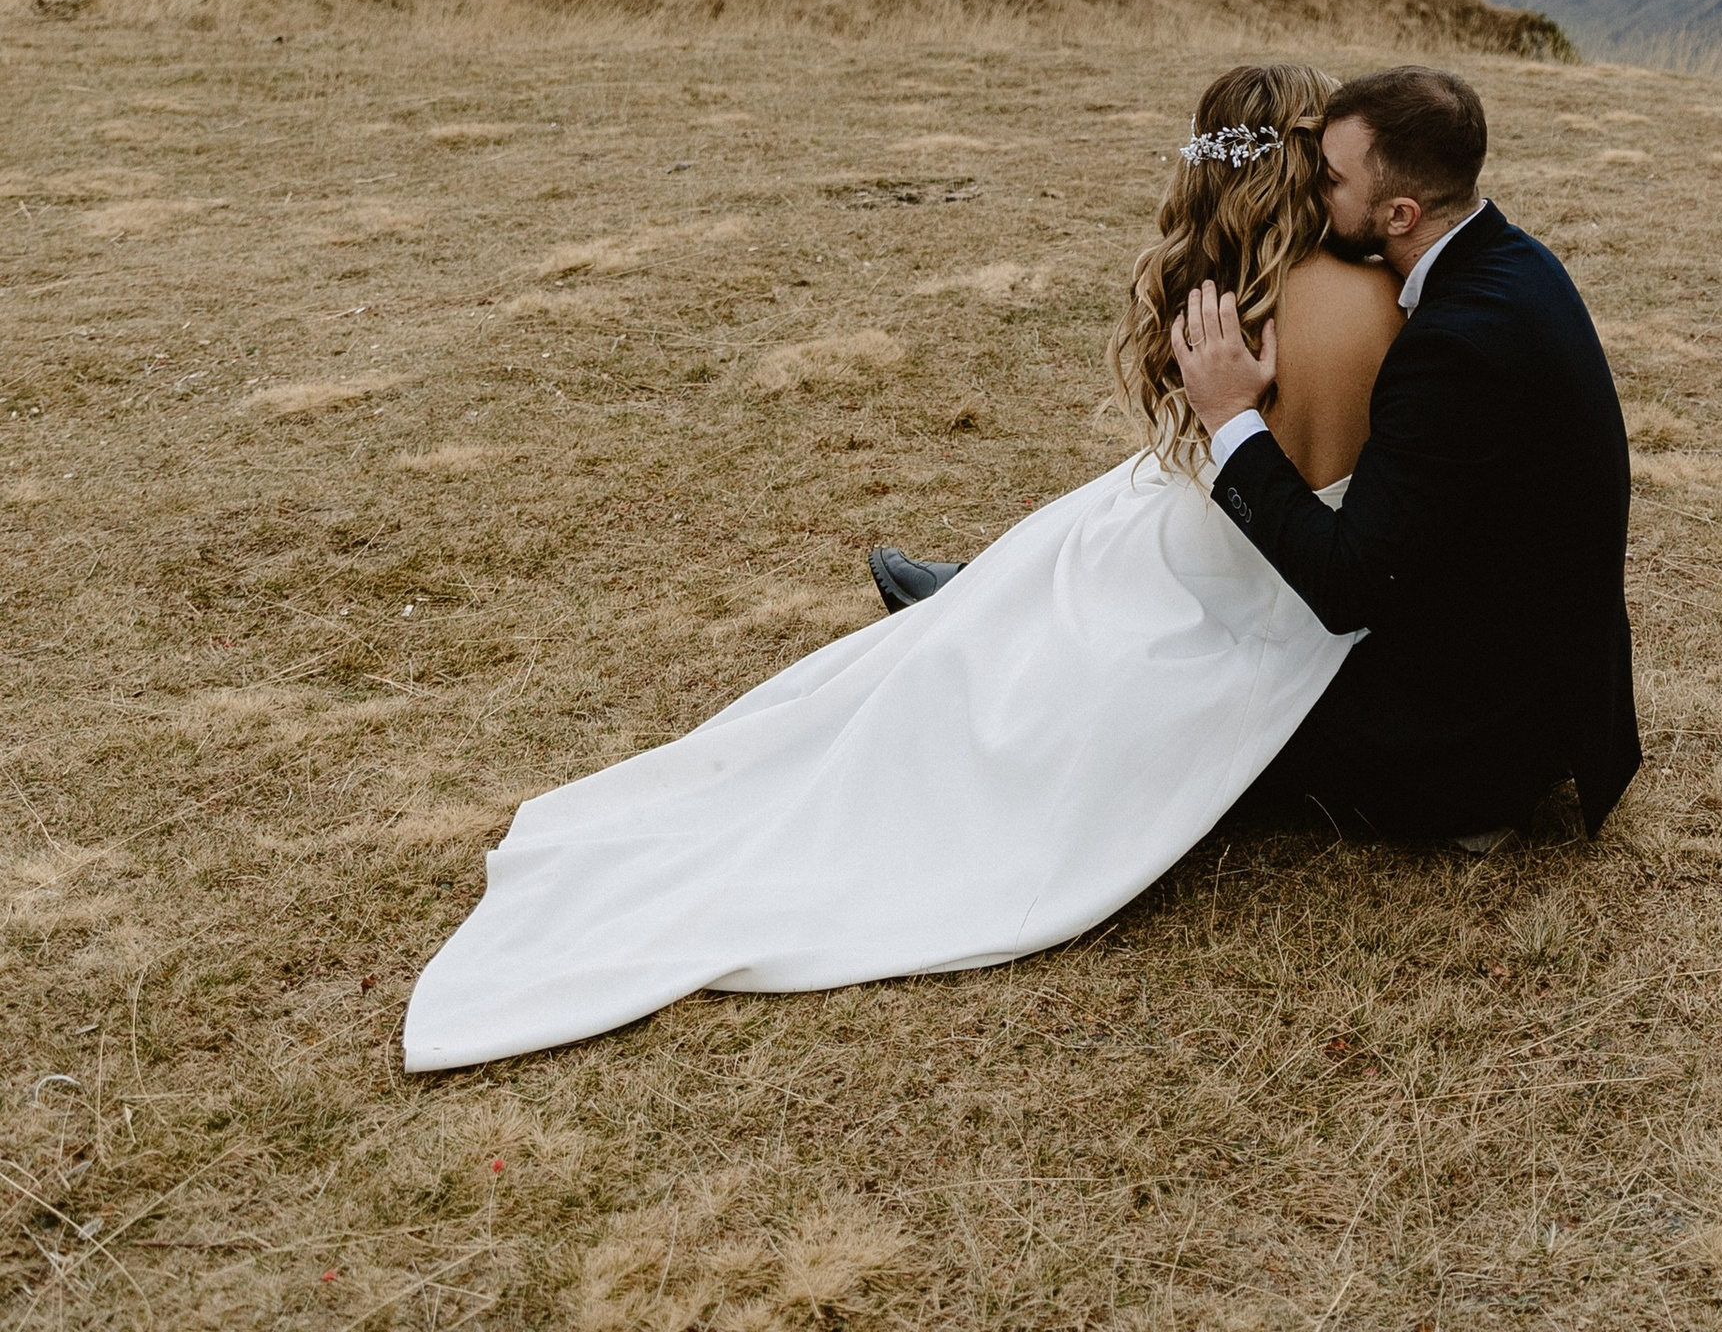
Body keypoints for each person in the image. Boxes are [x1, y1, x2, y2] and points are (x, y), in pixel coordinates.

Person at [402, 64, 1397, 1070]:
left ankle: (959, 615)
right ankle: (966, 614)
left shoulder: (1211, 294)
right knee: (1075, 559)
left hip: (1216, 537)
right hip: (1280, 568)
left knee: (1071, 558)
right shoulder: (1378, 298)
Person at [1176, 64, 1640, 843]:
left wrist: (1230, 419)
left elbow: (1346, 583)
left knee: (1183, 698)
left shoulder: (1455, 346)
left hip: (1470, 739)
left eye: (1326, 178)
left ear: (1398, 212)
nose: (1305, 191)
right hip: (1510, 658)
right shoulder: (1514, 258)